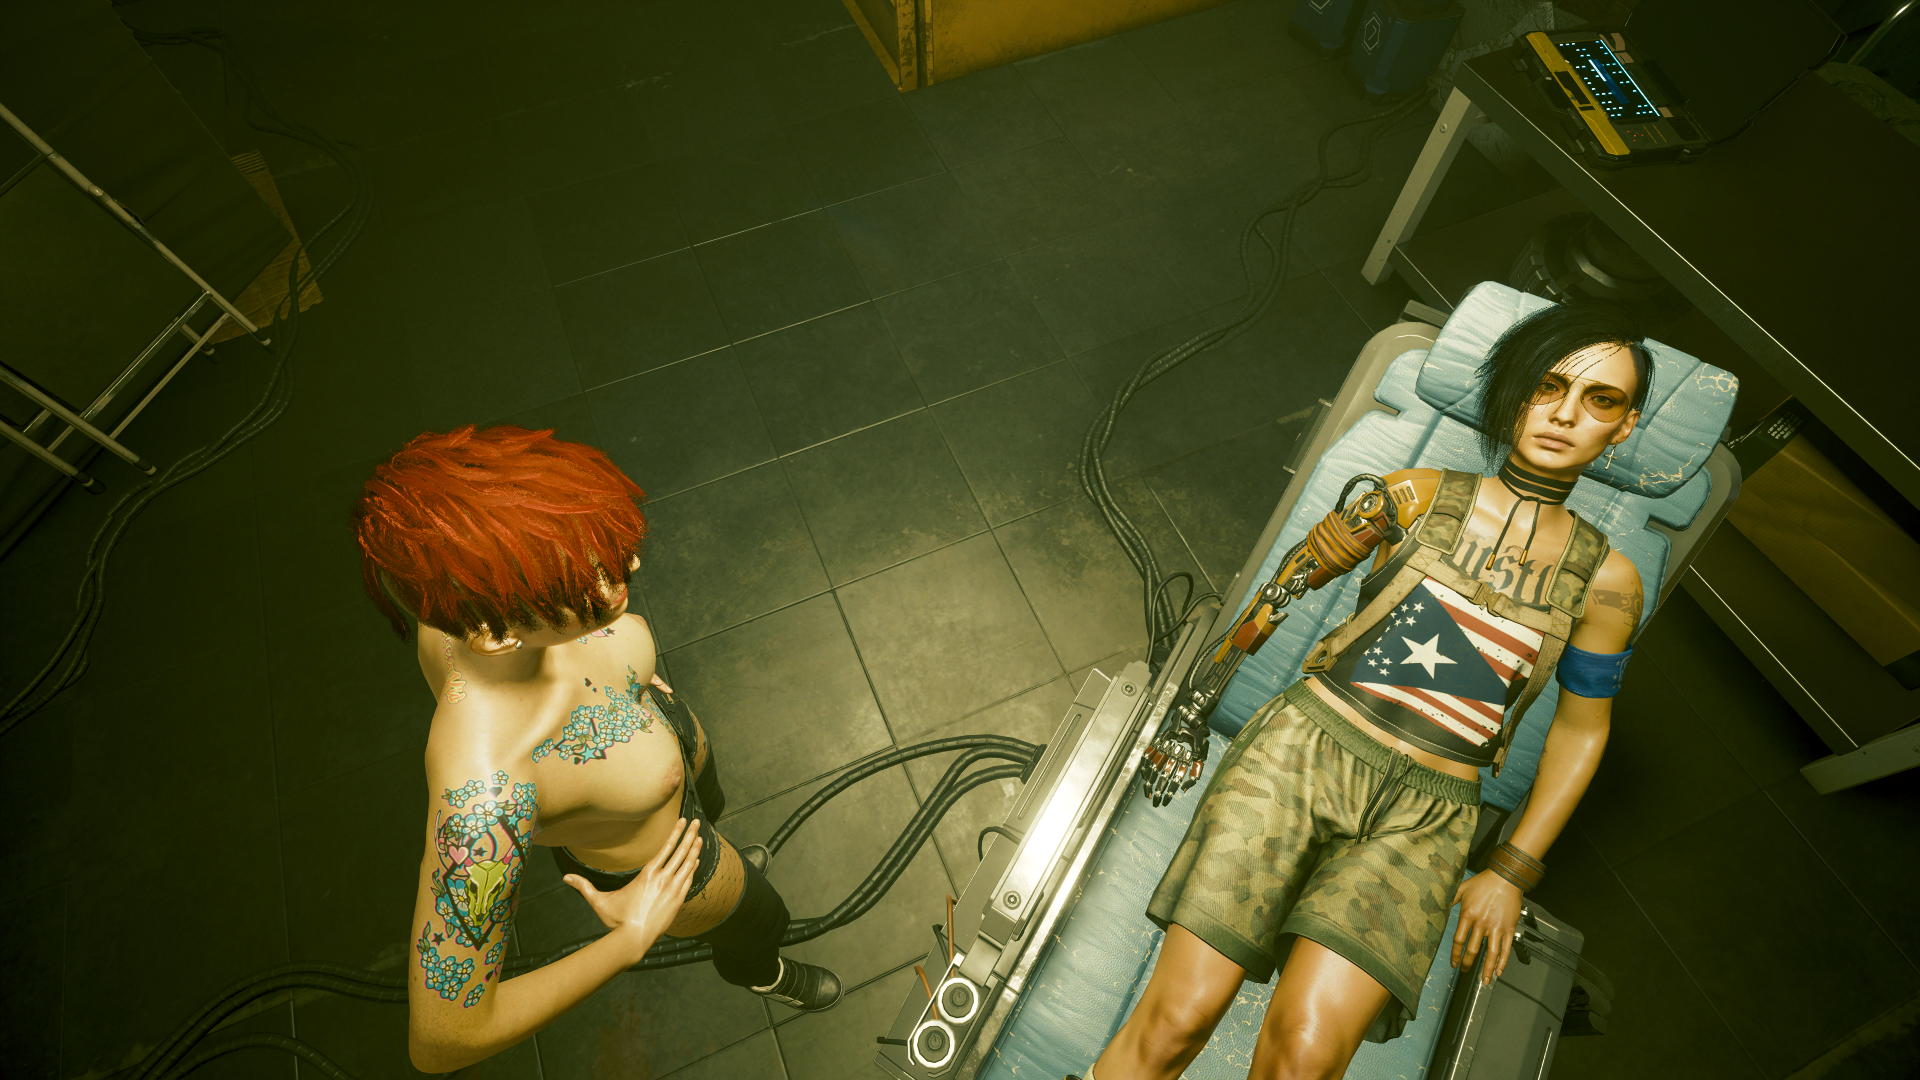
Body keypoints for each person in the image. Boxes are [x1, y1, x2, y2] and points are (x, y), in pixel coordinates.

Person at [1083, 302, 1651, 1080]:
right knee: (1175, 1023)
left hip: (1427, 819)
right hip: (1299, 759)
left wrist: (1512, 869)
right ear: (1517, 390)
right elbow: (1281, 592)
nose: (1564, 413)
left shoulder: (1609, 583)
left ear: (1625, 425)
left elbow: (1582, 729)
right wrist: (1191, 711)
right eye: (1548, 386)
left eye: (1600, 399)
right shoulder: (1410, 497)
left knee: (1305, 1061)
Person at [351, 425, 840, 1074]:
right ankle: (759, 970)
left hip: (669, 747)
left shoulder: (467, 582)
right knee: (761, 917)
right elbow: (443, 1037)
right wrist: (629, 939)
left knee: (717, 811)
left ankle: (728, 865)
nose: (626, 568)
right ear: (494, 636)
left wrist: (629, 684)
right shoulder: (485, 793)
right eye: (582, 579)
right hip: (660, 855)